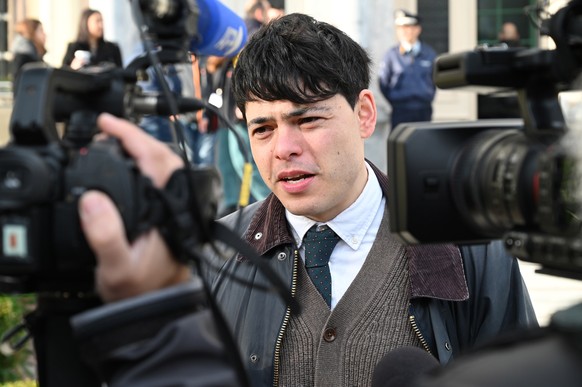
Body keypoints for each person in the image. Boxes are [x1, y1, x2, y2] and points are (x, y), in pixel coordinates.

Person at [77, 13, 537, 387]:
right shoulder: (215, 254)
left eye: (308, 119)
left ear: (364, 114)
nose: (284, 148)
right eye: (263, 128)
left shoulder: (469, 249)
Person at [378, 9, 437, 130]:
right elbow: (383, 83)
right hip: (400, 110)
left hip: (423, 110)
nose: (404, 31)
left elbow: (434, 80)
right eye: (400, 28)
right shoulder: (391, 55)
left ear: (417, 29)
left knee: (424, 143)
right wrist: (395, 100)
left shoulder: (429, 54)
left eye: (408, 27)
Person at [10, 18, 47, 95]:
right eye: (41, 31)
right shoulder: (25, 59)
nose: (45, 34)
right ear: (32, 33)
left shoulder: (32, 55)